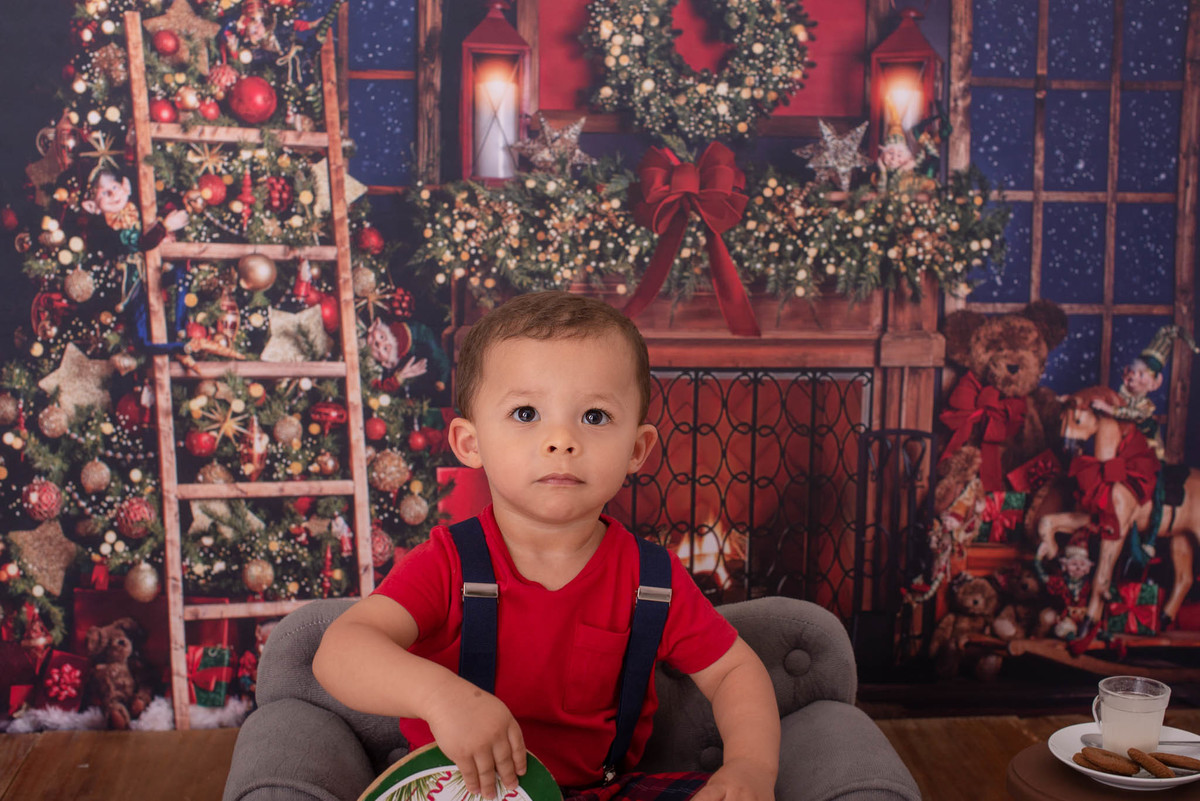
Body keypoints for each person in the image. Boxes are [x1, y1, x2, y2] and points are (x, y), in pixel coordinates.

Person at [314, 291, 780, 801]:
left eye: (595, 417)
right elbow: (340, 652)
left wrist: (749, 767)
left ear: (636, 449)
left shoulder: (652, 579)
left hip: (597, 791)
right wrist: (441, 697)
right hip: (468, 793)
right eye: (525, 413)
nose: (561, 440)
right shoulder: (447, 564)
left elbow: (733, 671)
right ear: (471, 443)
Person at [1091, 324, 1200, 459]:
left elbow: (1133, 413)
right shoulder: (1122, 394)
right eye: (1133, 371)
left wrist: (1109, 409)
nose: (1134, 376)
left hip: (1142, 443)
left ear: (1154, 384)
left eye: (1141, 374)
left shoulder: (1145, 406)